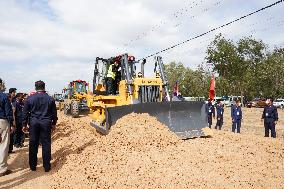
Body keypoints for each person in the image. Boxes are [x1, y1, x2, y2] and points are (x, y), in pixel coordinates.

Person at [22, 81, 57, 172]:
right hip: (46, 123)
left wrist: (24, 124)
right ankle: (46, 166)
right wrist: (54, 123)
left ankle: (33, 166)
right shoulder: (50, 99)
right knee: (46, 144)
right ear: (44, 87)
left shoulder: (30, 99)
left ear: (35, 88)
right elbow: (54, 113)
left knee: (33, 143)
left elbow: (25, 113)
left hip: (34, 123)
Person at [0, 78, 14, 176]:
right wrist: (12, 124)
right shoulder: (3, 97)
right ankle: (2, 169)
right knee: (4, 145)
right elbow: (8, 112)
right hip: (2, 121)